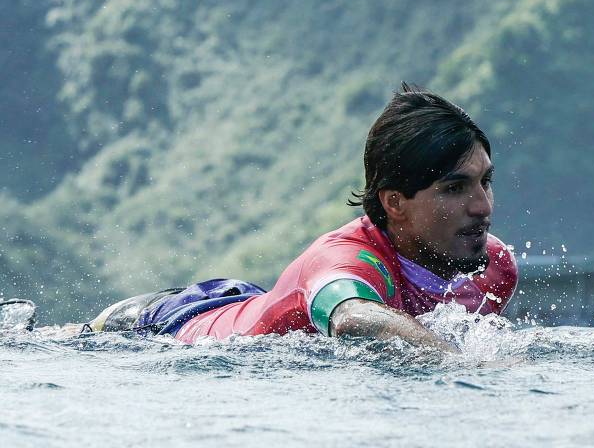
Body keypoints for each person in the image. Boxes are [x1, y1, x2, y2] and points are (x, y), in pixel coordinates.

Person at [87, 83, 518, 350]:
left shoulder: (495, 268)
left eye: (486, 182)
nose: (482, 206)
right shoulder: (346, 262)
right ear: (394, 203)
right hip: (171, 325)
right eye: (454, 188)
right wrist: (458, 362)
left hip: (258, 303)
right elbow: (353, 318)